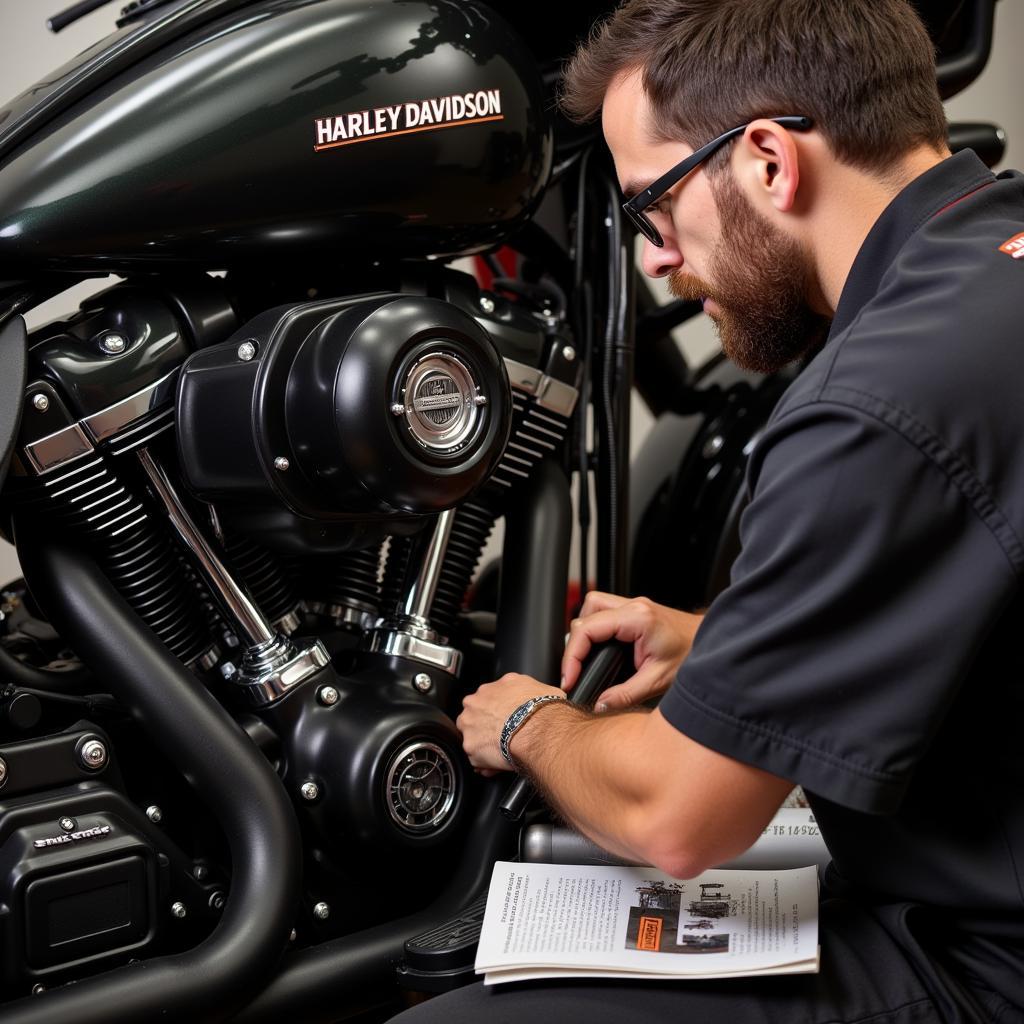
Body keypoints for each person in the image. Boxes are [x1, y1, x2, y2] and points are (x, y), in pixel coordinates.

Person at [392, 0, 1024, 1020]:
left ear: (769, 161)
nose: (653, 259)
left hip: (985, 962)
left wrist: (530, 722)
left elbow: (678, 818)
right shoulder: (988, 263)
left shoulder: (873, 401)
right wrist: (723, 646)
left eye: (652, 206)